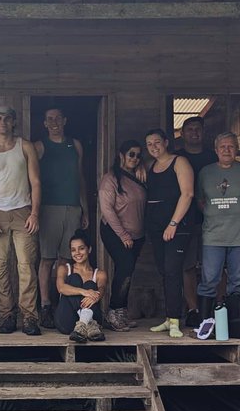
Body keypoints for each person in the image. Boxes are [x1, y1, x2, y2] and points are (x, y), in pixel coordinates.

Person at [0, 104, 42, 336]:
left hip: (23, 212)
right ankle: (8, 316)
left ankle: (30, 317)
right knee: (0, 267)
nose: (2, 122)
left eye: (7, 118)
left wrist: (34, 213)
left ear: (14, 122)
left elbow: (35, 182)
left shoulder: (25, 146)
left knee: (26, 267)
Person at [196, 132, 240, 322]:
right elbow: (200, 202)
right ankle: (205, 323)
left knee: (238, 282)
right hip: (213, 235)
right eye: (223, 147)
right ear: (216, 150)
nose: (227, 150)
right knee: (209, 279)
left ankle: (235, 323)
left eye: (231, 146)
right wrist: (216, 215)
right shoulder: (206, 172)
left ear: (237, 149)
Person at [33, 107, 87, 329]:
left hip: (73, 207)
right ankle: (45, 305)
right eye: (49, 119)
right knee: (47, 259)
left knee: (66, 259)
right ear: (45, 123)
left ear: (65, 120)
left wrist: (85, 208)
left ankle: (63, 303)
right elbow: (32, 178)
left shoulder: (75, 145)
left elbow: (80, 177)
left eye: (57, 118)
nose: (54, 122)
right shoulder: (39, 146)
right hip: (48, 207)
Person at [143, 128, 196, 338]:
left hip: (177, 227)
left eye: (157, 142)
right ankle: (168, 318)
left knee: (173, 270)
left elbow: (188, 193)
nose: (153, 147)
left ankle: (175, 320)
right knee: (164, 271)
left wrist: (173, 223)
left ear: (166, 142)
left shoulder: (179, 162)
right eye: (149, 144)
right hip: (156, 228)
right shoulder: (150, 166)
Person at [172, 116, 218, 326]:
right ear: (182, 133)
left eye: (198, 129)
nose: (194, 133)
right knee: (188, 265)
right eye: (189, 129)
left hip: (215, 220)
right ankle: (193, 309)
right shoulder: (176, 157)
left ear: (203, 132)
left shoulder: (213, 157)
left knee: (217, 266)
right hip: (186, 219)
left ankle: (219, 306)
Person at [98, 139, 147, 331]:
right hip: (115, 232)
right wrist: (123, 235)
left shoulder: (140, 176)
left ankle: (121, 311)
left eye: (138, 155)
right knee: (124, 269)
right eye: (131, 154)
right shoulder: (110, 179)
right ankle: (112, 312)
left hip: (138, 234)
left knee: (128, 271)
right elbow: (107, 211)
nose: (135, 158)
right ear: (121, 155)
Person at [54, 231, 107, 343]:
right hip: (67, 321)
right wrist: (84, 292)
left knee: (91, 285)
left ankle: (82, 324)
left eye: (81, 248)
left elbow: (101, 289)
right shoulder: (64, 268)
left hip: (92, 326)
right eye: (73, 250)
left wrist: (94, 293)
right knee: (74, 279)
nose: (77, 253)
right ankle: (85, 323)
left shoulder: (99, 273)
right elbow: (61, 288)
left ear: (89, 249)